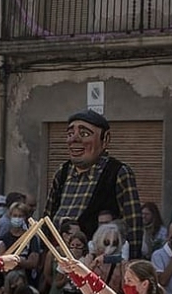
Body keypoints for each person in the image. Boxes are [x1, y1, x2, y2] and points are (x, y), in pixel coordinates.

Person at [44, 110, 144, 259]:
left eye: (84, 134)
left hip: (96, 265)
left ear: (105, 139)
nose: (74, 139)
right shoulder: (62, 172)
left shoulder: (118, 173)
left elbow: (133, 226)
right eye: (70, 134)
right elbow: (47, 218)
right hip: (58, 262)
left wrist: (132, 263)